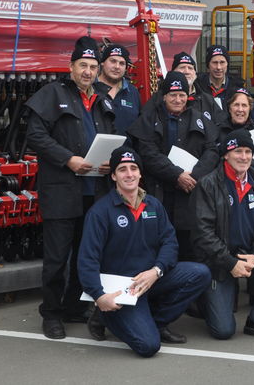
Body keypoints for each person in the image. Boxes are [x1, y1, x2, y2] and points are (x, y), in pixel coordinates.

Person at [78, 147, 211, 357]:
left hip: (151, 279)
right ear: (113, 175)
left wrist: (156, 271)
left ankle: (155, 321)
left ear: (141, 173)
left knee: (200, 273)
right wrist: (99, 295)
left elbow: (170, 243)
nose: (129, 174)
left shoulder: (154, 205)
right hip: (123, 288)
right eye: (122, 169)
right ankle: (104, 315)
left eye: (134, 168)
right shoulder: (100, 212)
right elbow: (87, 259)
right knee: (148, 346)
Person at [24, 36, 116, 339]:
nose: (88, 71)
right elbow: (36, 137)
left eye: (92, 66)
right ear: (71, 67)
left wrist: (109, 163)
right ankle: (50, 314)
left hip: (94, 192)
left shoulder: (102, 99)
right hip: (62, 190)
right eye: (83, 66)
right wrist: (68, 159)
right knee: (56, 258)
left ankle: (74, 307)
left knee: (85, 255)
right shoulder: (51, 94)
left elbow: (113, 134)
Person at [191, 129, 254, 342]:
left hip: (249, 256)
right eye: (238, 151)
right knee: (223, 331)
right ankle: (202, 299)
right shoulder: (208, 184)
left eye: (248, 151)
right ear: (225, 155)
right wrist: (230, 263)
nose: (244, 157)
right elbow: (203, 234)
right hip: (219, 262)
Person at [126, 71, 219, 260]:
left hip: (192, 194)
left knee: (190, 248)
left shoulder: (199, 118)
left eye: (182, 95)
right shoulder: (150, 117)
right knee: (160, 245)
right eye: (173, 95)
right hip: (160, 193)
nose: (178, 99)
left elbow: (213, 150)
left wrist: (194, 176)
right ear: (165, 96)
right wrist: (177, 175)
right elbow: (148, 153)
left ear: (188, 96)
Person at [170, 51, 224, 124]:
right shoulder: (163, 98)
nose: (187, 71)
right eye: (182, 67)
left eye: (190, 68)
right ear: (173, 71)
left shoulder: (208, 100)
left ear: (195, 74)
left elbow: (222, 125)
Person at [98, 43, 140, 136]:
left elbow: (139, 129)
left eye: (122, 63)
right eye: (113, 61)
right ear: (102, 62)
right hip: (97, 150)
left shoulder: (133, 92)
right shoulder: (90, 88)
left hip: (127, 150)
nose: (117, 67)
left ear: (125, 68)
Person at [194, 44, 245, 110]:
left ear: (227, 64)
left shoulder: (237, 87)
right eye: (215, 62)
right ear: (208, 65)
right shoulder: (198, 85)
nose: (218, 67)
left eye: (222, 62)